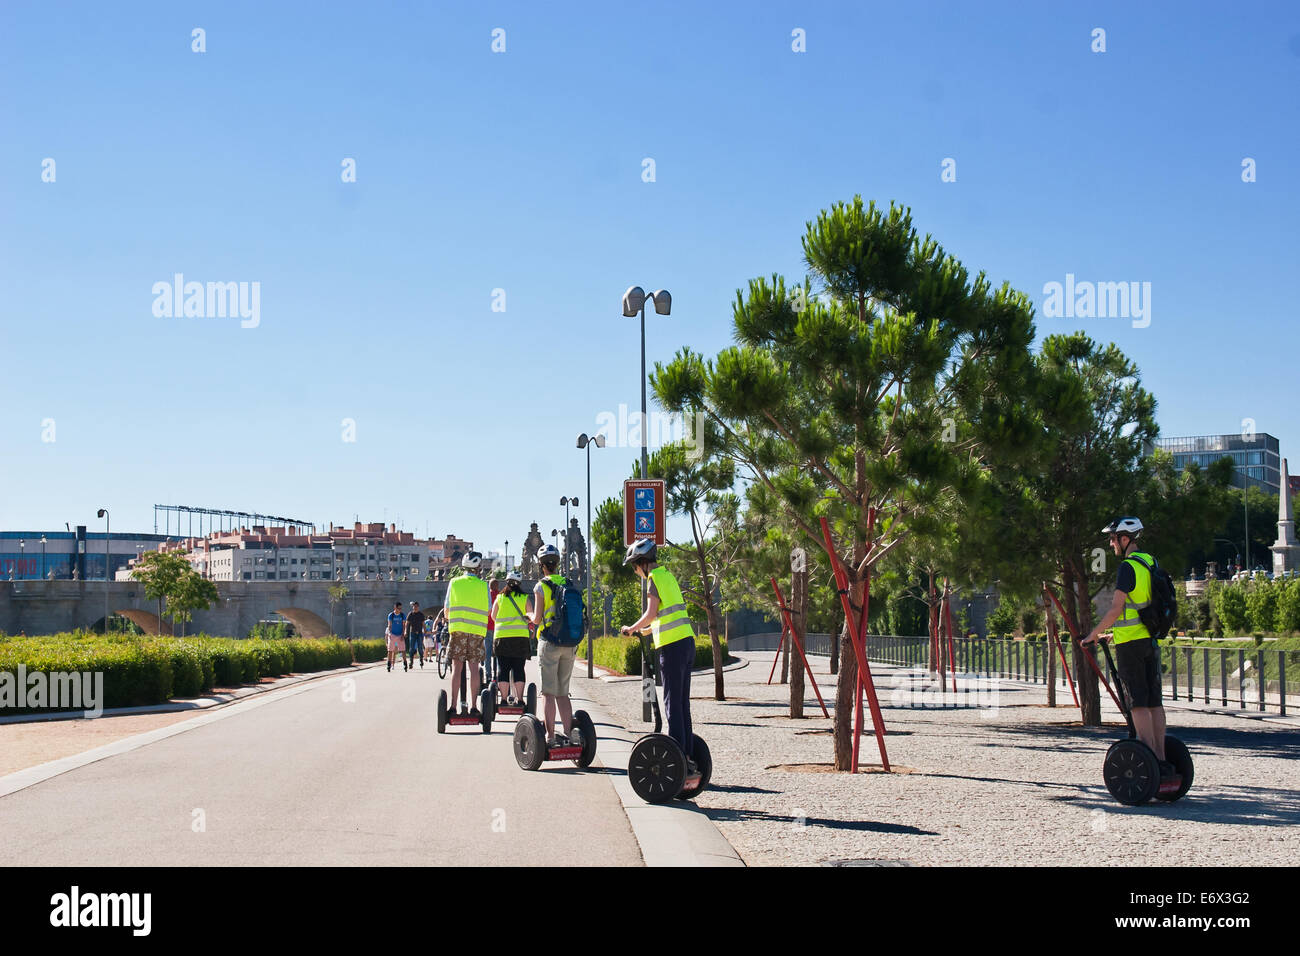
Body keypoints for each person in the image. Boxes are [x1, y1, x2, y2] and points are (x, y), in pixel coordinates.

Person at [1082, 516, 1172, 778]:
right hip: (1149, 639)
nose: (1110, 545)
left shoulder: (1127, 568)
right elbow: (1140, 608)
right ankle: (1161, 760)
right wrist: (1110, 634)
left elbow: (1116, 609)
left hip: (1130, 645)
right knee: (1155, 701)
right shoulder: (1150, 562)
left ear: (1125, 539)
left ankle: (1149, 762)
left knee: (1138, 703)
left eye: (1112, 539)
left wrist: (1092, 635)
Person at [620, 539, 696, 771]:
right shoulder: (668, 576)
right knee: (682, 703)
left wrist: (631, 628)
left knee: (671, 703)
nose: (636, 572)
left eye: (634, 566)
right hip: (687, 642)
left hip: (671, 647)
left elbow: (651, 612)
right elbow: (665, 614)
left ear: (642, 563)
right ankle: (687, 755)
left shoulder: (653, 580)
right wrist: (645, 630)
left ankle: (677, 761)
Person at [528, 544, 580, 749]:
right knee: (562, 692)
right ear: (557, 564)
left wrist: (529, 615)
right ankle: (569, 735)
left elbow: (538, 618)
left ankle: (550, 737)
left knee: (548, 692)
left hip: (549, 642)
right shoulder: (568, 583)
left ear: (541, 565)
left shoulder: (541, 586)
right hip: (569, 643)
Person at [444, 552, 490, 716]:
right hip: (477, 632)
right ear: (478, 568)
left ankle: (453, 706)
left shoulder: (454, 583)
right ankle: (474, 706)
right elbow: (489, 610)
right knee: (474, 669)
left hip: (458, 631)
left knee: (456, 668)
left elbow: (446, 610)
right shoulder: (484, 586)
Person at [491, 571, 532, 706]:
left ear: (506, 582)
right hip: (520, 638)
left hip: (502, 638)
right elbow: (530, 616)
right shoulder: (525, 598)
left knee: (503, 668)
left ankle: (503, 699)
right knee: (519, 668)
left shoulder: (500, 598)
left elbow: (493, 616)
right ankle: (520, 699)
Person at [404, 600, 426, 670]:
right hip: (412, 633)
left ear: (418, 607)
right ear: (412, 607)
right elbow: (407, 624)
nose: (415, 608)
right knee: (411, 648)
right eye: (414, 606)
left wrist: (425, 631)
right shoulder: (410, 614)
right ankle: (411, 662)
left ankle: (421, 660)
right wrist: (405, 631)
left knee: (420, 647)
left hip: (419, 633)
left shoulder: (421, 614)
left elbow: (423, 624)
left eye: (416, 606)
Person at [385, 601, 405, 673]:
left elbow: (404, 626)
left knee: (401, 650)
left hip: (400, 635)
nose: (400, 610)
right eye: (398, 608)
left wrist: (403, 634)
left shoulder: (402, 615)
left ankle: (404, 664)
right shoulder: (391, 615)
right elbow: (389, 625)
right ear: (395, 607)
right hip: (393, 634)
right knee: (390, 650)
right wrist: (389, 633)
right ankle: (389, 664)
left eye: (400, 608)